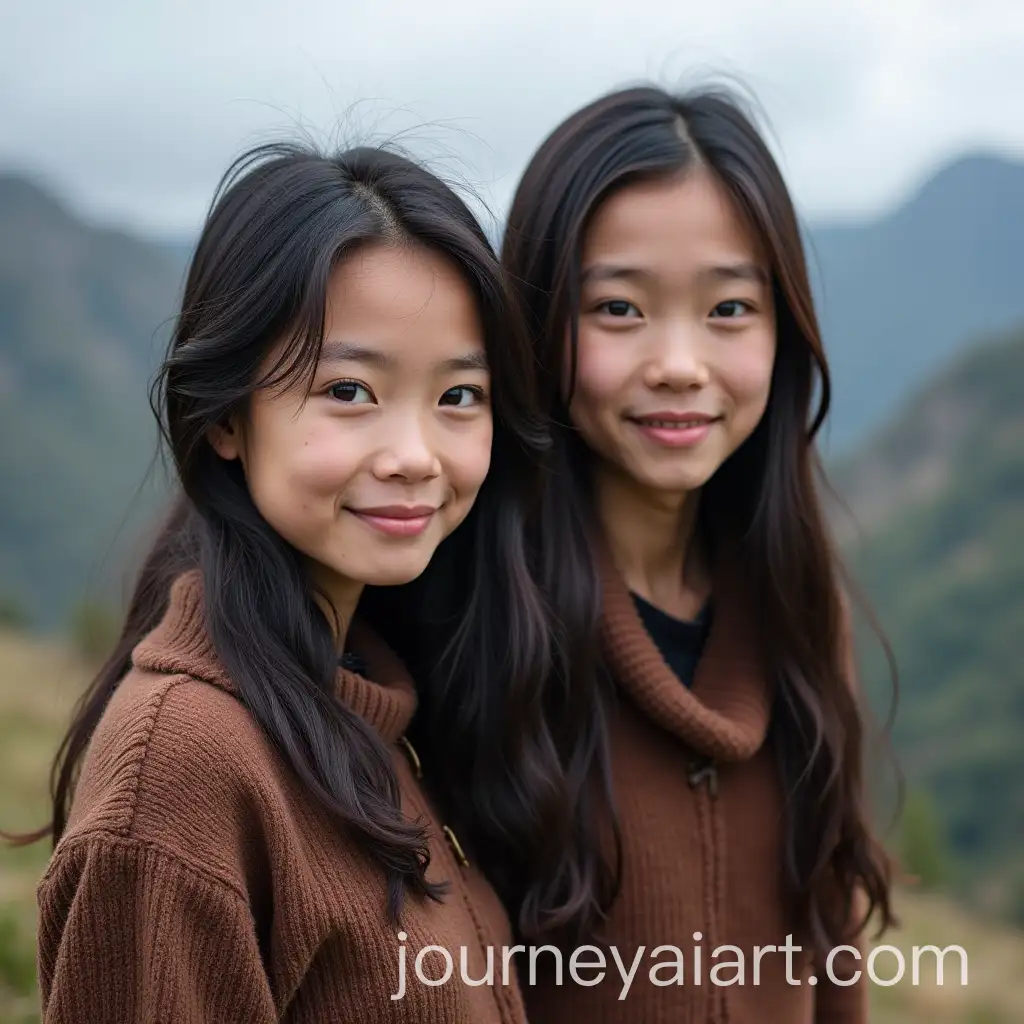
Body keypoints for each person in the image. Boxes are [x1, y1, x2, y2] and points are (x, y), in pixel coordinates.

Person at [23, 141, 552, 1023]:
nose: (416, 456)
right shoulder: (183, 775)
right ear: (227, 416)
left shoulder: (372, 703)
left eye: (459, 396)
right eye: (349, 390)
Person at [492, 85, 896, 1022]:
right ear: (538, 321)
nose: (680, 361)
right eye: (620, 309)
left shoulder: (795, 603)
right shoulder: (474, 620)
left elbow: (831, 950)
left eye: (728, 309)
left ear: (782, 331)